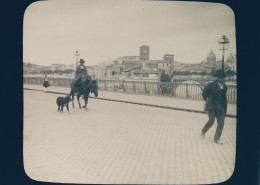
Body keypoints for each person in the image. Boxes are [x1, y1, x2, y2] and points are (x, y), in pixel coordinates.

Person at [201, 69, 228, 144]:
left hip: (221, 107)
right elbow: (204, 94)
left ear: (224, 78)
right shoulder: (211, 85)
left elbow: (224, 99)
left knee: (221, 123)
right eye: (220, 77)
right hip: (212, 107)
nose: (221, 79)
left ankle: (216, 138)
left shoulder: (225, 87)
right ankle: (203, 131)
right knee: (211, 121)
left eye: (222, 78)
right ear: (217, 78)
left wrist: (225, 109)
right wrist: (206, 99)